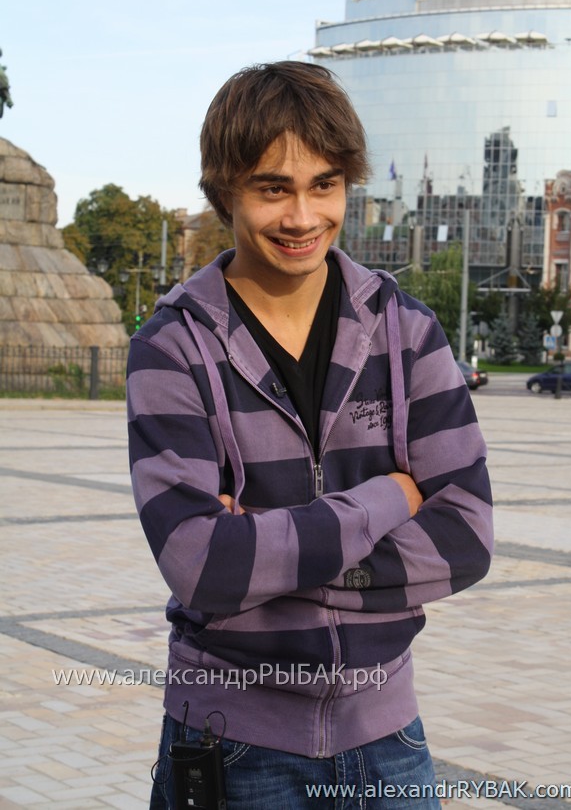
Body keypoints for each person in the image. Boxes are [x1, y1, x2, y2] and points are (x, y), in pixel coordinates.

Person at [127, 61, 494, 809]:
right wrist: (387, 500)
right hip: (232, 745)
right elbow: (201, 567)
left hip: (390, 742)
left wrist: (264, 555)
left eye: (324, 185)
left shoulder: (407, 331)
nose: (302, 217)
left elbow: (466, 539)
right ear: (225, 191)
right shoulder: (171, 347)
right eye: (273, 189)